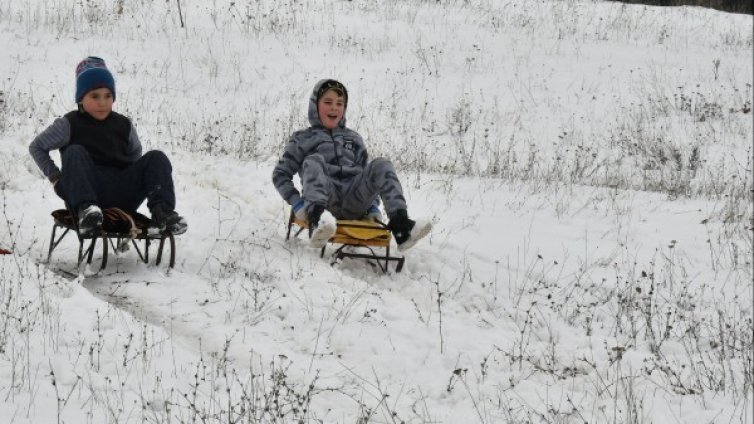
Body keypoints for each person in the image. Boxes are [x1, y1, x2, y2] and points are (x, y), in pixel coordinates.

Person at [29, 56, 187, 237]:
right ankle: (88, 211)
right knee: (74, 151)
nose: (102, 102)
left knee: (157, 157)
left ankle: (163, 213)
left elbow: (136, 154)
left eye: (108, 96)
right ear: (81, 98)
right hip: (84, 191)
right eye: (94, 96)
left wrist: (131, 176)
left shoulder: (123, 124)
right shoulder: (69, 124)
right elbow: (37, 146)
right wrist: (55, 177)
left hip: (120, 192)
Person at [272, 79, 431, 250]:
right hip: (324, 201)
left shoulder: (354, 138)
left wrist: (372, 208)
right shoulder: (302, 139)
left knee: (381, 165)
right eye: (328, 102)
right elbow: (280, 174)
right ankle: (318, 222)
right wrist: (298, 204)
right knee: (313, 160)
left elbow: (367, 176)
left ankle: (401, 227)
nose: (334, 107)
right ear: (314, 106)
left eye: (340, 103)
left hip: (355, 200)